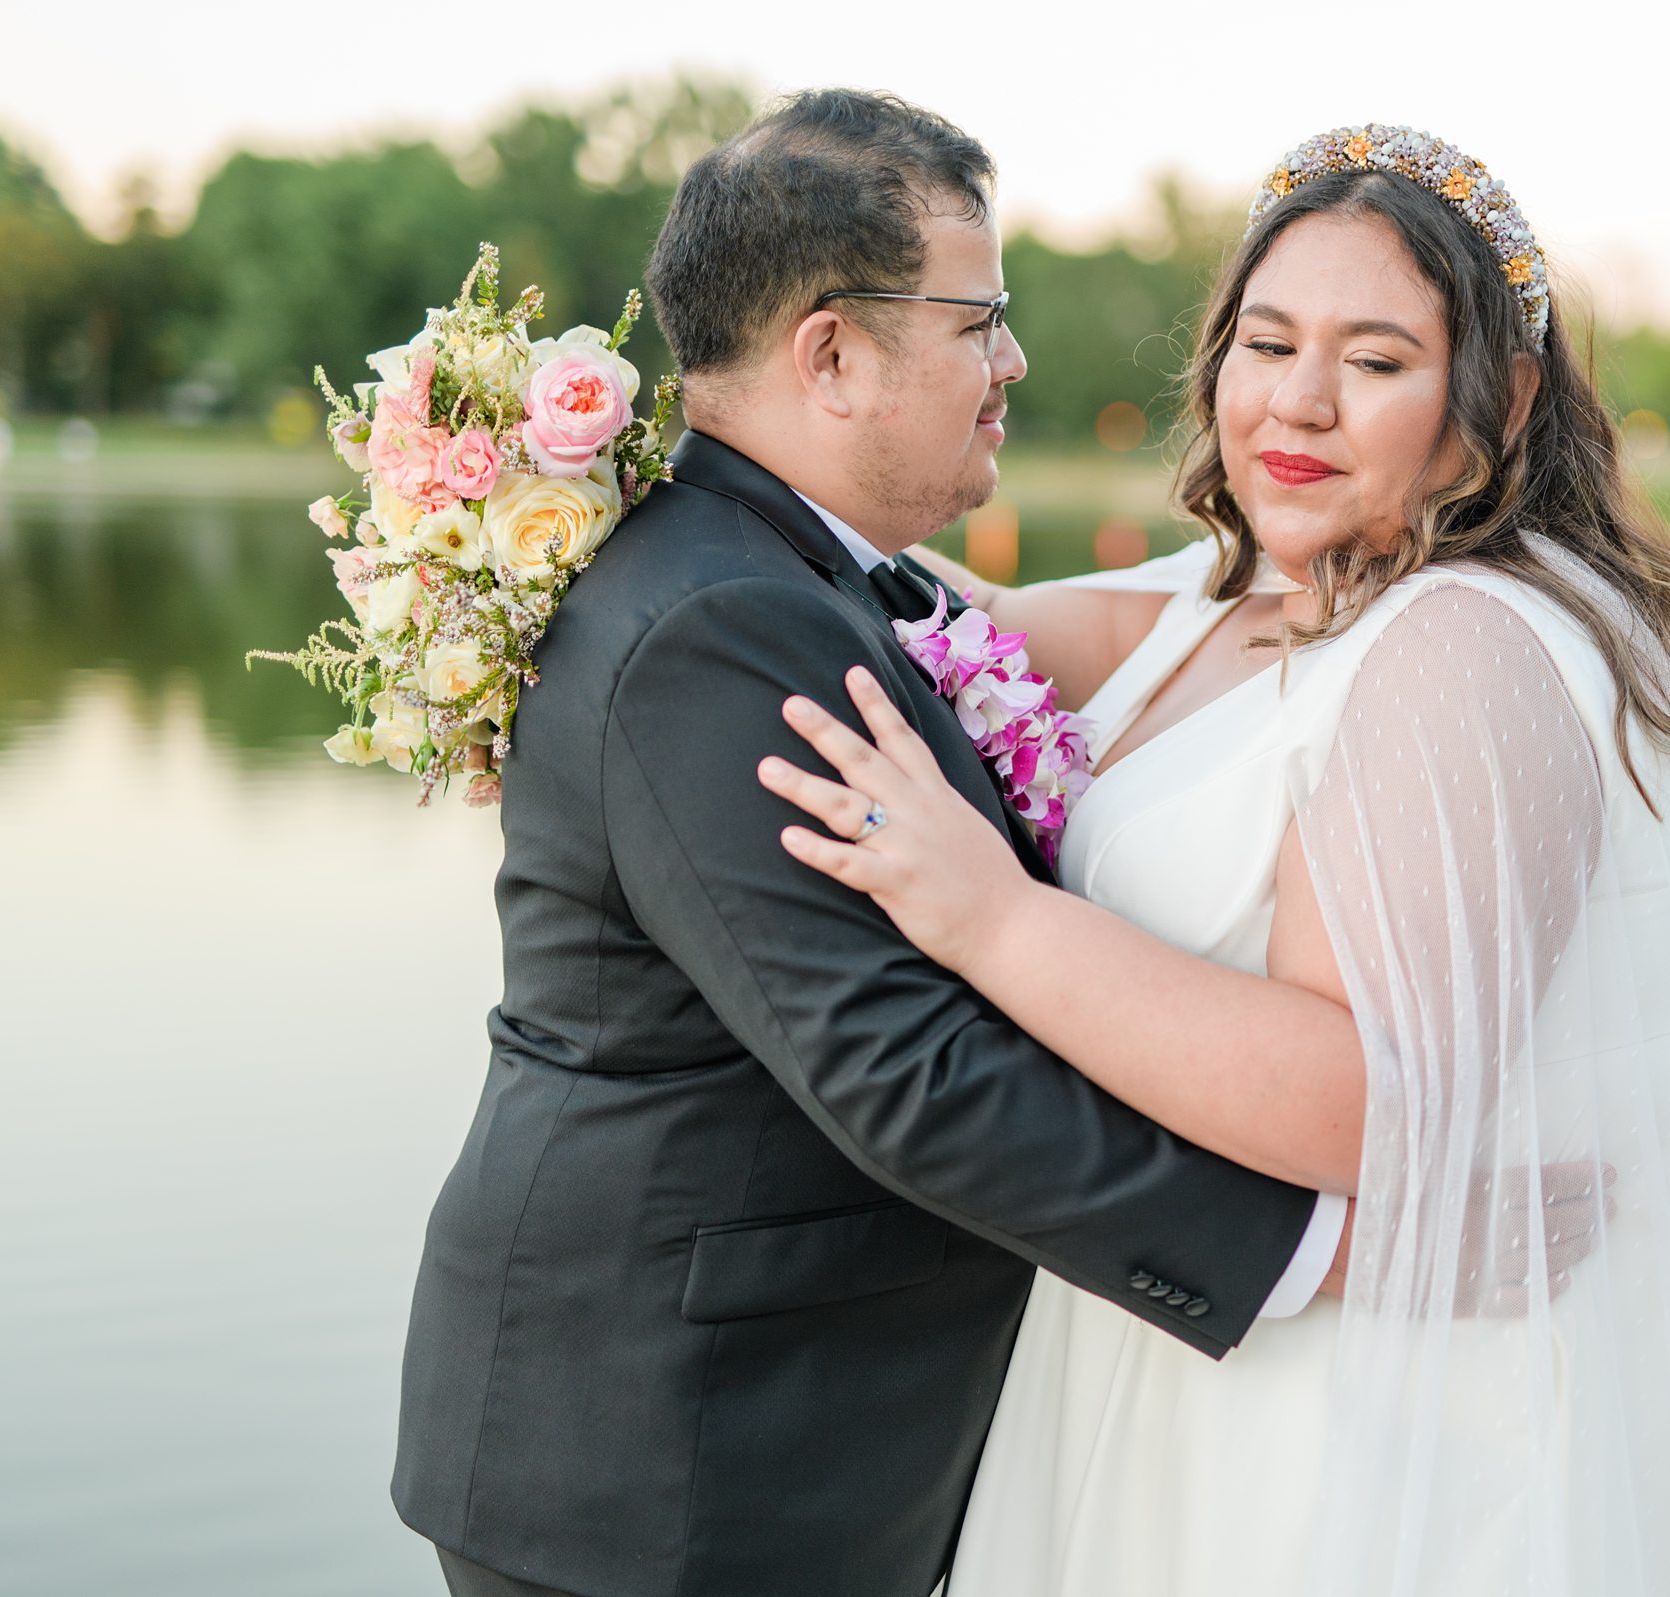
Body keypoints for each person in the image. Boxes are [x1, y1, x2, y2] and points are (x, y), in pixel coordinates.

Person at [764, 125, 1670, 1595]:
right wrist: (545, 501)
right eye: (1267, 340)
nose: (1297, 400)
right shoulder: (1226, 599)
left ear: (1500, 400)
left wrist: (988, 921)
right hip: (1187, 1359)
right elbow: (910, 609)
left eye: (1373, 361)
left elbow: (1363, 1100)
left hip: (1361, 1422)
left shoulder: (1465, 647)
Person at [389, 91, 1387, 1597]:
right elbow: (901, 1066)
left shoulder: (797, 576)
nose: (1013, 362)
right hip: (665, 1470)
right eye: (980, 319)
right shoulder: (720, 621)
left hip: (753, 1435)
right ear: (832, 352)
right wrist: (1315, 1247)